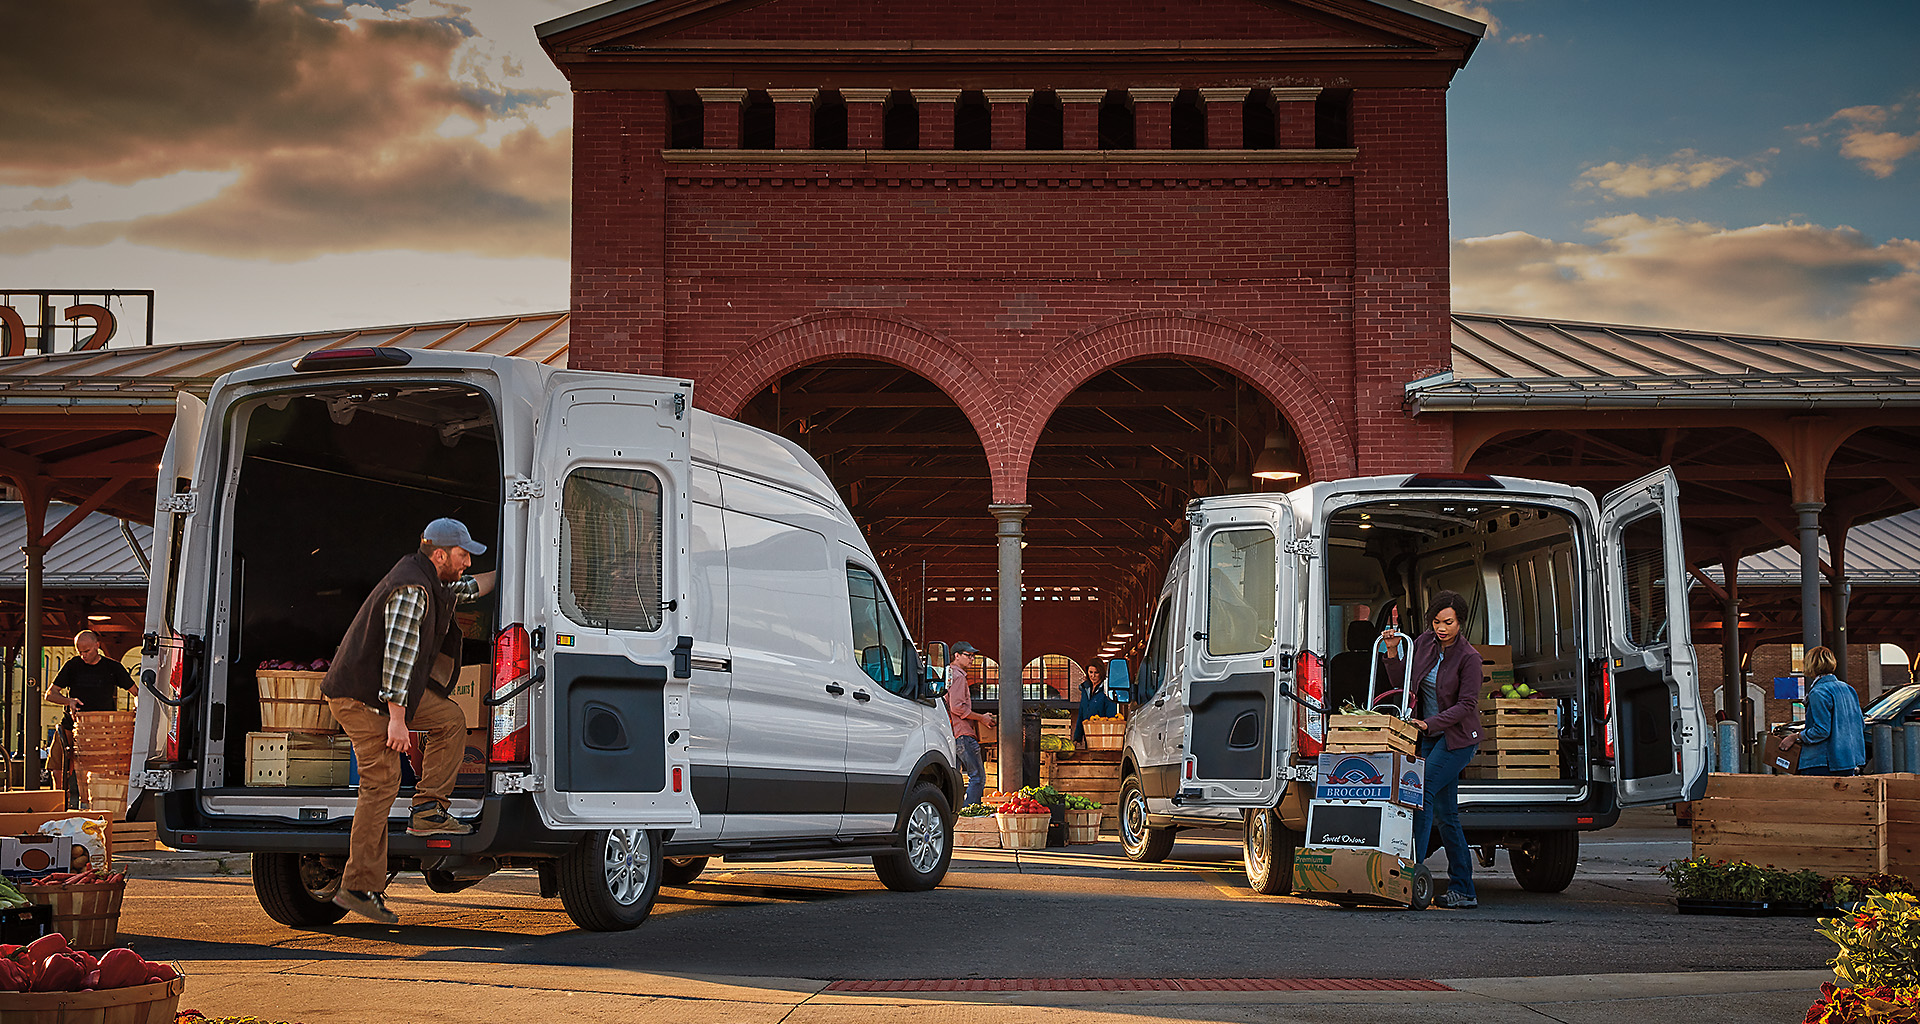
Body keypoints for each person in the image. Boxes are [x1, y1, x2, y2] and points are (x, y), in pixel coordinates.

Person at [322, 518, 496, 924]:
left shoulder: (435, 580)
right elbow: (397, 662)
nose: (467, 561)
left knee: (450, 719)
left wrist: (515, 568)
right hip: (363, 699)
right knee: (381, 784)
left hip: (386, 698)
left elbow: (472, 588)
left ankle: (429, 810)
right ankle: (359, 886)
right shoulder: (411, 590)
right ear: (439, 554)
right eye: (462, 554)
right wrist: (397, 722)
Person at [1379, 591, 1484, 910]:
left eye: (1449, 622)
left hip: (1458, 738)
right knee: (1447, 815)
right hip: (1427, 735)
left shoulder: (1470, 657)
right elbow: (1404, 685)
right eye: (1437, 622)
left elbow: (1467, 706)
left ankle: (1409, 875)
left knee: (1420, 794)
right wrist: (1393, 653)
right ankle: (1464, 889)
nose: (1442, 628)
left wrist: (1431, 723)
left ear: (1461, 622)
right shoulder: (1422, 643)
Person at [42, 629, 136, 794]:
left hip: (102, 730)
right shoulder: (72, 665)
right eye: (80, 651)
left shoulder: (113, 667)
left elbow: (136, 692)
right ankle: (59, 801)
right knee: (57, 767)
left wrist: (137, 706)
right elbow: (50, 694)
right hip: (71, 724)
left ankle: (95, 801)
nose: (83, 655)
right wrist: (68, 701)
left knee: (99, 768)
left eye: (87, 651)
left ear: (97, 646)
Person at [1780, 646, 1865, 776]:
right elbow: (1860, 724)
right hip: (1849, 760)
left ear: (1810, 665)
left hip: (1823, 762)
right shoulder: (1848, 689)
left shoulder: (1818, 692)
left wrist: (1794, 737)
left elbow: (1821, 730)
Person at [943, 642, 996, 808]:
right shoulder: (958, 676)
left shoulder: (948, 674)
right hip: (963, 734)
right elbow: (957, 707)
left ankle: (955, 814)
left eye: (973, 656)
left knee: (954, 778)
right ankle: (969, 813)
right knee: (978, 777)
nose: (972, 659)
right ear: (957, 655)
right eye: (968, 655)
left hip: (952, 734)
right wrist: (982, 718)